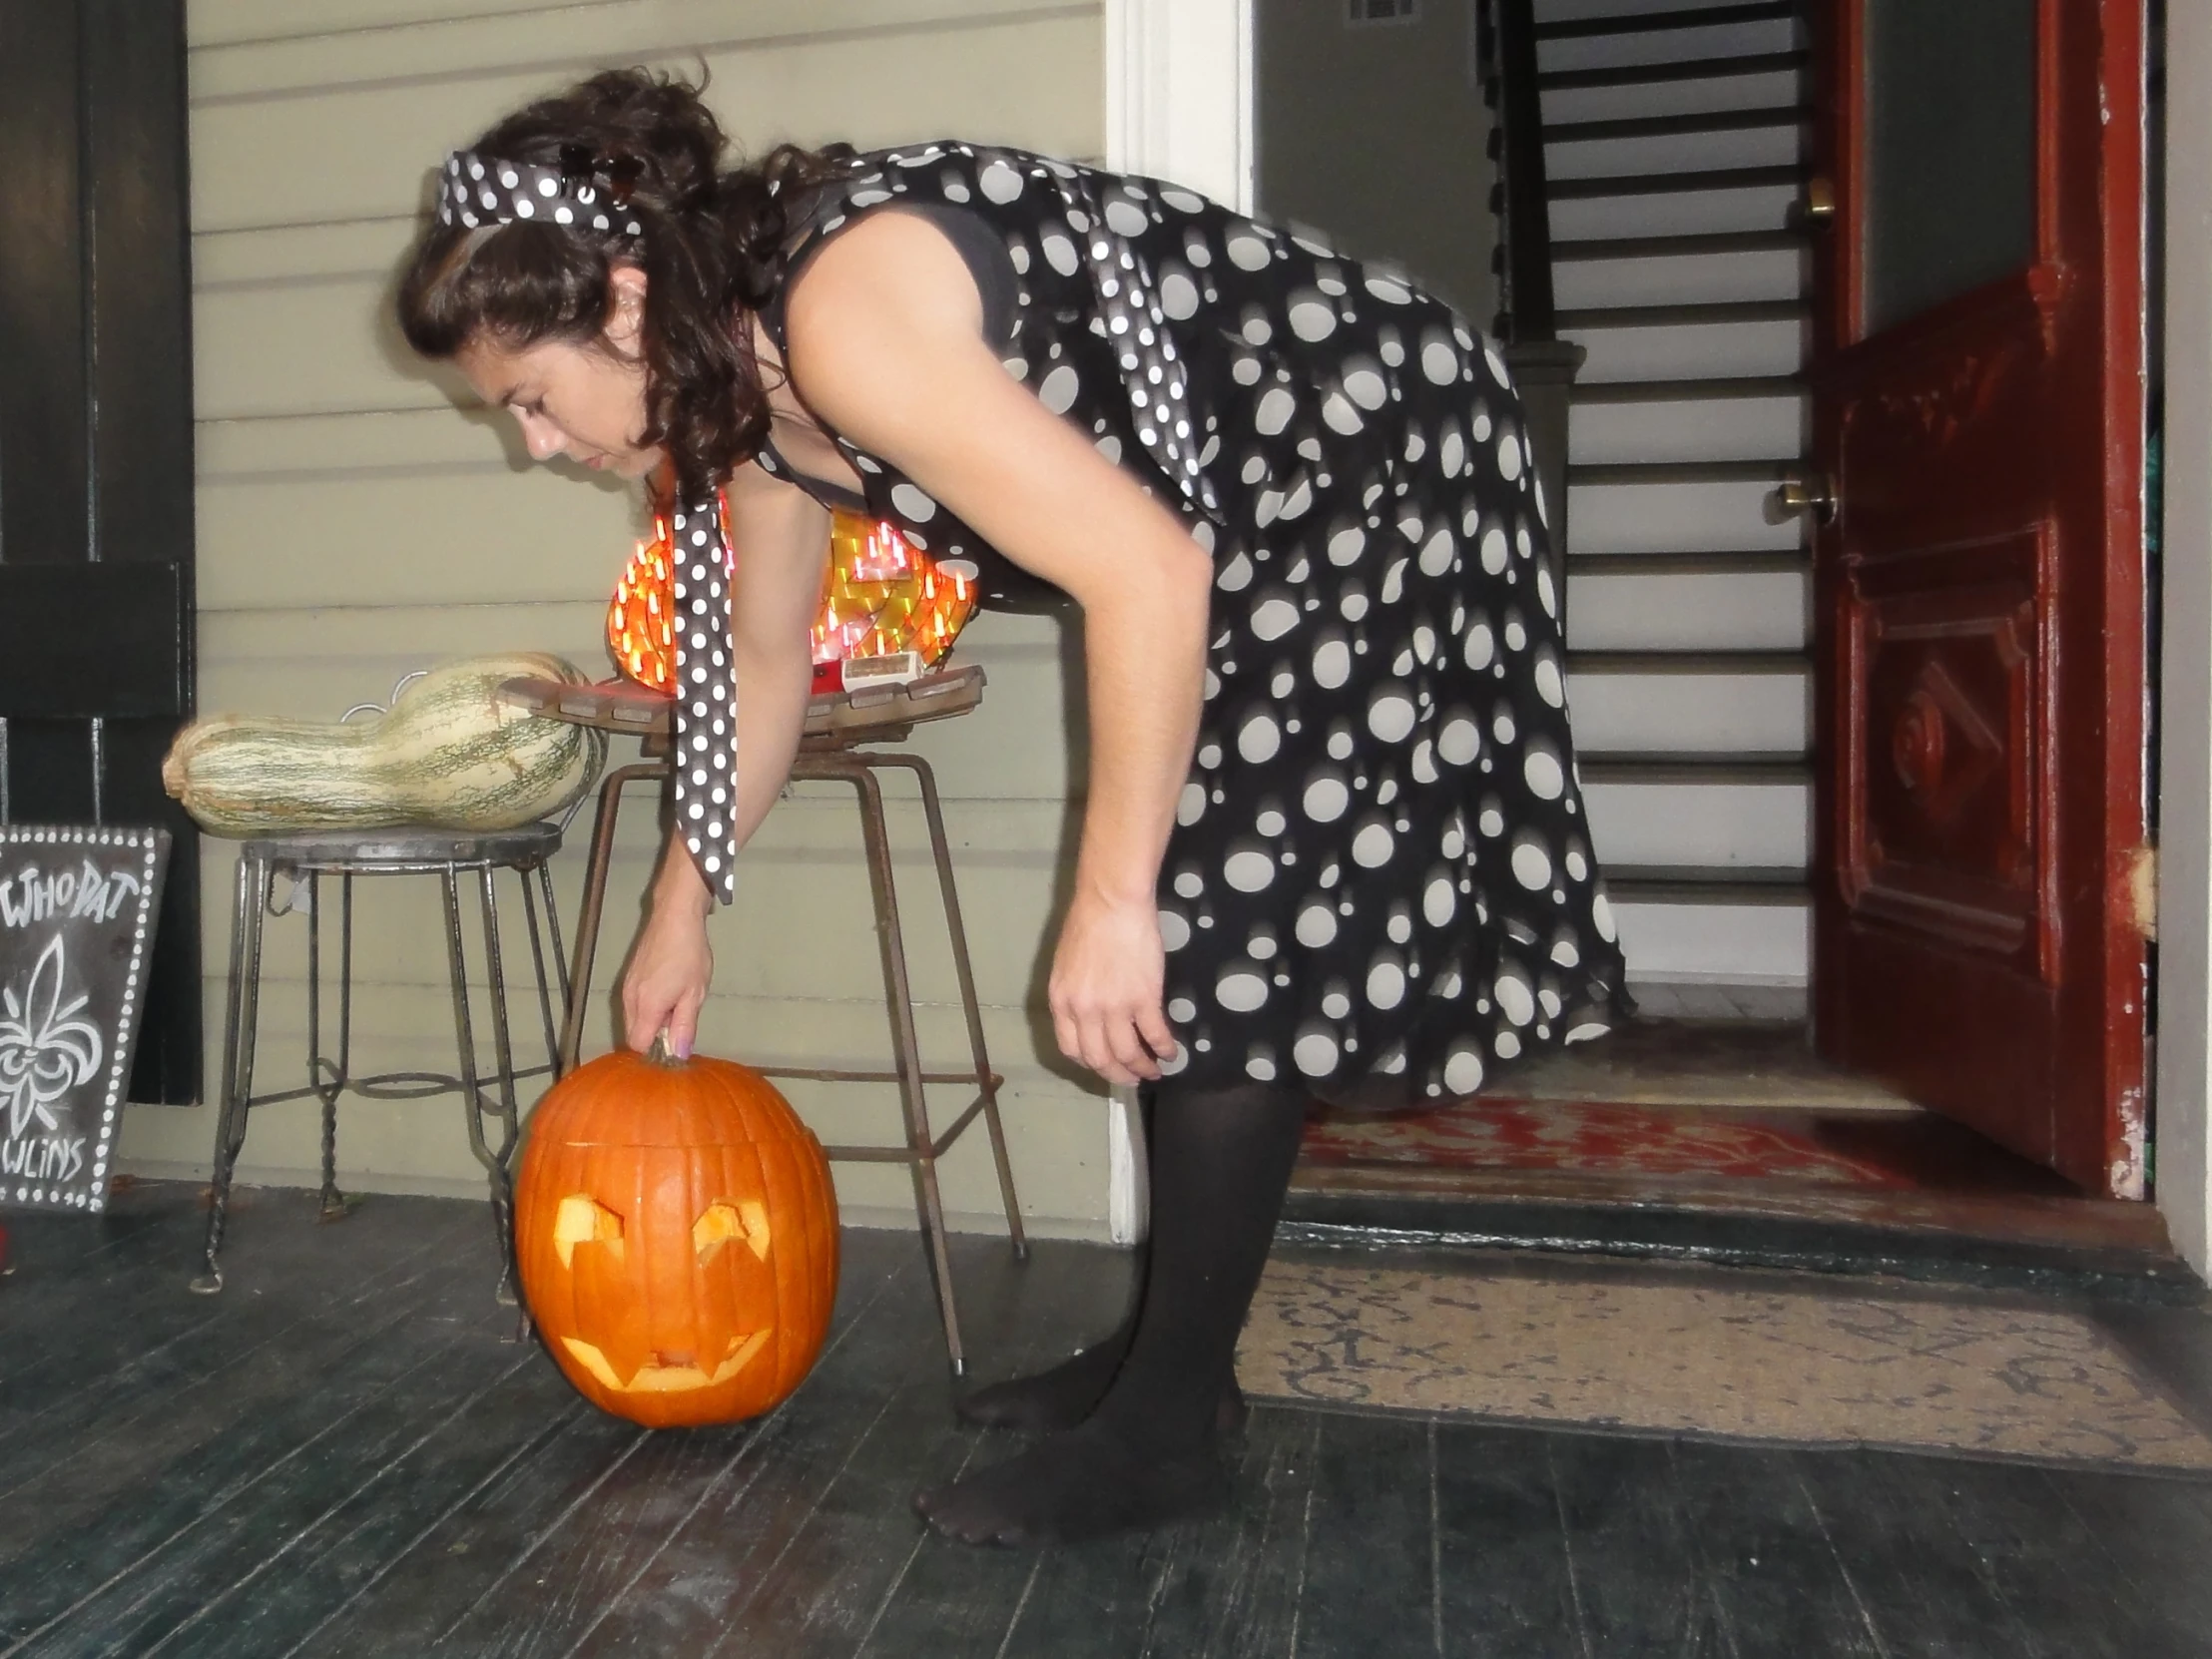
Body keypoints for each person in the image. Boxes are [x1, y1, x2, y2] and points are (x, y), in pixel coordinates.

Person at [396, 69, 1628, 1547]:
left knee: (1211, 919)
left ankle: (1169, 1422)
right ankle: (1169, 1359)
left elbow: (1148, 573)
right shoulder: (748, 397)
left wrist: (1111, 904)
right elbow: (766, 665)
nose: (534, 442)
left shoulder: (842, 318)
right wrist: (682, 915)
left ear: (624, 299)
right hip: (1240, 510)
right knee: (1199, 900)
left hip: (1366, 454)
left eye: (529, 399)